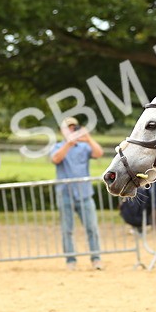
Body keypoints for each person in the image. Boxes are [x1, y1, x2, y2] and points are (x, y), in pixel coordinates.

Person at [50, 115, 104, 270]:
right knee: (67, 229)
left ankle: (96, 259)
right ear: (62, 131)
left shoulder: (84, 147)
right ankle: (70, 260)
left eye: (74, 128)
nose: (72, 131)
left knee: (92, 228)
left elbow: (99, 153)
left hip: (85, 193)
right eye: (68, 128)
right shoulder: (57, 146)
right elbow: (56, 159)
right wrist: (68, 143)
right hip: (65, 194)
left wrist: (88, 138)